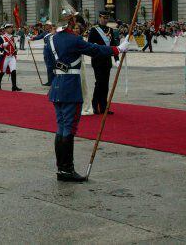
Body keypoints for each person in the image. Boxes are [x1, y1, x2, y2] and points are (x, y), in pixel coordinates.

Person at [46, 13, 137, 182]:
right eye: (73, 20)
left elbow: (49, 66)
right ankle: (67, 169)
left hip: (57, 89)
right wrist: (118, 49)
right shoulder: (74, 40)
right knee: (69, 128)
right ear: (70, 22)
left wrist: (55, 83)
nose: (75, 22)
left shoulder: (50, 40)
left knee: (60, 127)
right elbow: (95, 50)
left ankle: (61, 168)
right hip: (71, 89)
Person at [86, 11, 117, 115]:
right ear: (99, 18)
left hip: (107, 60)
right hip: (97, 60)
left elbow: (113, 45)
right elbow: (89, 45)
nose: (105, 20)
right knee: (99, 83)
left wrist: (116, 58)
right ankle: (95, 105)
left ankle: (104, 107)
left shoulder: (110, 30)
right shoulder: (94, 30)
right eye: (104, 18)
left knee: (105, 84)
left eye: (107, 18)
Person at [0, 23, 21, 91]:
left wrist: (16, 49)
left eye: (11, 28)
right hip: (5, 57)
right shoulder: (1, 37)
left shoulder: (13, 37)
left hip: (12, 56)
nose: (11, 29)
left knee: (13, 70)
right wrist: (3, 44)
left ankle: (14, 86)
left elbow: (14, 46)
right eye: (9, 28)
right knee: (2, 72)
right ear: (6, 29)